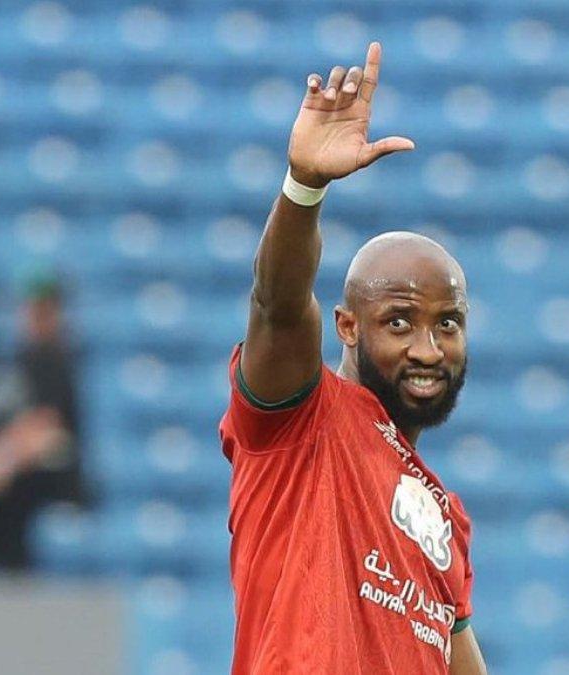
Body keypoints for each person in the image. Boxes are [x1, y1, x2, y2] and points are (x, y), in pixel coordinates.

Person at [218, 43, 488, 674]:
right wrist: (304, 187)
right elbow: (277, 305)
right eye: (399, 322)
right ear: (346, 327)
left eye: (447, 324)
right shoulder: (300, 420)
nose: (427, 349)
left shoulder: (443, 516)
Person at [0, 272, 85, 570]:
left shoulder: (55, 360)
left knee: (8, 503)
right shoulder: (15, 359)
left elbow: (45, 427)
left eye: (43, 310)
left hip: (37, 481)